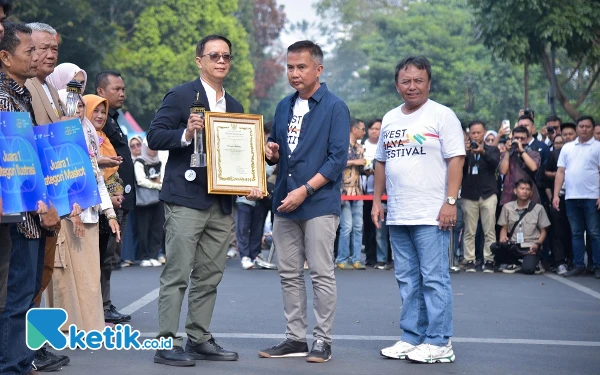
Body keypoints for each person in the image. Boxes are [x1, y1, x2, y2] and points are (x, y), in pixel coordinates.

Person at [147, 34, 261, 366]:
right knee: (178, 272)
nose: (221, 61)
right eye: (214, 56)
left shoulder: (235, 106)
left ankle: (198, 337)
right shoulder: (183, 95)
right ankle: (167, 342)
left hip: (221, 201)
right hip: (185, 197)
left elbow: (238, 157)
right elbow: (155, 135)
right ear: (200, 61)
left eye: (226, 56)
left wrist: (250, 181)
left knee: (210, 274)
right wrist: (185, 134)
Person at [258, 40, 349, 363]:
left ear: (318, 69)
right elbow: (276, 147)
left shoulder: (335, 107)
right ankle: (295, 338)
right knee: (288, 273)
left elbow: (337, 159)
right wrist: (271, 152)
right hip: (285, 200)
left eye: (301, 67)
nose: (294, 73)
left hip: (318, 202)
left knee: (322, 273)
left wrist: (306, 191)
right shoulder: (284, 106)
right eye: (290, 67)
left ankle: (322, 341)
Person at [373, 56, 465, 364]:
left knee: (434, 278)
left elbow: (456, 159)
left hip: (432, 213)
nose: (412, 86)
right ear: (397, 84)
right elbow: (381, 162)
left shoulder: (442, 115)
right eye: (405, 81)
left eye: (418, 81)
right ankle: (412, 337)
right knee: (408, 279)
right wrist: (377, 201)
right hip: (399, 212)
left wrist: (450, 202)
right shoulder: (389, 118)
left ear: (428, 82)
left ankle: (439, 341)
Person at [0, 22, 61, 375]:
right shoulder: (4, 98)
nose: (39, 56)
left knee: (26, 296)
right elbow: (15, 162)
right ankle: (12, 365)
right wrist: (45, 206)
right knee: (16, 297)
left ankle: (22, 360)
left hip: (34, 211)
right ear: (6, 57)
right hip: (22, 212)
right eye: (31, 51)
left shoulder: (23, 92)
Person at [46, 89, 120, 332]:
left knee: (90, 276)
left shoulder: (88, 132)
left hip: (89, 214)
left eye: (80, 106)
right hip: (67, 216)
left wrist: (109, 215)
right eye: (72, 106)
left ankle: (90, 325)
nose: (78, 110)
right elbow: (57, 177)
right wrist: (71, 211)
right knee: (65, 275)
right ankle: (66, 326)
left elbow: (96, 177)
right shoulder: (55, 136)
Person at [21, 21, 71, 371]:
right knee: (26, 281)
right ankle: (22, 352)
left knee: (41, 275)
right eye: (40, 48)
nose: (48, 54)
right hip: (33, 201)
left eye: (53, 48)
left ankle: (30, 348)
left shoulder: (47, 88)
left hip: (52, 197)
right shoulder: (20, 89)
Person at [84, 94, 129, 324]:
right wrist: (109, 198)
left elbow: (112, 174)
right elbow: (85, 174)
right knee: (93, 262)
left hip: (110, 208)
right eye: (95, 111)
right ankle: (94, 310)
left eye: (103, 112)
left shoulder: (102, 137)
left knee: (106, 259)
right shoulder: (82, 137)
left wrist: (117, 195)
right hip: (92, 209)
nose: (100, 116)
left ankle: (104, 305)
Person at [95, 70, 133, 323]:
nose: (122, 93)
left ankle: (104, 303)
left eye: (123, 89)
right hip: (106, 201)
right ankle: (101, 306)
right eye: (116, 89)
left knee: (110, 256)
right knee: (104, 256)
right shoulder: (98, 123)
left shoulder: (114, 119)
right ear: (100, 92)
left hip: (120, 199)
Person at [553, 116, 600, 279]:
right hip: (571, 196)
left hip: (592, 196)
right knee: (576, 233)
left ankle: (597, 265)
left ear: (593, 129)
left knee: (594, 233)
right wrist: (556, 195)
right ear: (577, 128)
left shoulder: (598, 147)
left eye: (588, 126)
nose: (584, 129)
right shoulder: (567, 148)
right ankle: (579, 265)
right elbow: (560, 172)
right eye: (581, 126)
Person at [461, 120, 500, 273]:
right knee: (469, 230)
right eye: (473, 133)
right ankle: (469, 259)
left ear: (484, 133)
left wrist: (482, 152)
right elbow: (459, 169)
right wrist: (465, 153)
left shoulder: (492, 149)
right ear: (469, 134)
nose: (476, 136)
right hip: (469, 195)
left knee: (489, 230)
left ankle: (489, 260)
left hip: (488, 194)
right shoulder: (464, 151)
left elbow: (494, 163)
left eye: (478, 132)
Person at [495, 179, 550, 274]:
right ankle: (516, 264)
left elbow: (544, 231)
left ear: (531, 193)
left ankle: (525, 264)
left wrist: (537, 245)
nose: (525, 191)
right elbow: (504, 227)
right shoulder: (507, 207)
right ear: (515, 191)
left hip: (530, 246)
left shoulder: (538, 208)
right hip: (513, 245)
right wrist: (502, 236)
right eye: (522, 188)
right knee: (494, 247)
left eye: (528, 189)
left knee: (528, 270)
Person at [545, 123, 577, 275]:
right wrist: (554, 196)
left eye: (571, 134)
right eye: (565, 134)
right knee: (558, 231)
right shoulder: (556, 153)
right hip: (560, 197)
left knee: (575, 231)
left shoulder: (583, 151)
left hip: (578, 196)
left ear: (576, 134)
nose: (568, 137)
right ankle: (559, 262)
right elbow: (544, 176)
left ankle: (575, 261)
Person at [336, 118, 367, 270]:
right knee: (346, 226)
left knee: (358, 226)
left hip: (358, 191)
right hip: (343, 191)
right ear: (354, 129)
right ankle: (342, 258)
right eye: (362, 129)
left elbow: (361, 168)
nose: (364, 132)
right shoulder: (340, 144)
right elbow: (337, 162)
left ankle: (356, 259)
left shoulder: (361, 148)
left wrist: (368, 168)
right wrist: (356, 162)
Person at [133, 139, 164, 267]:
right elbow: (140, 181)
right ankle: (144, 256)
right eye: (150, 148)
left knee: (157, 228)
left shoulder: (159, 161)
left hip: (158, 199)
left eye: (155, 147)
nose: (153, 150)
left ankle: (153, 254)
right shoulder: (139, 161)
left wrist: (157, 183)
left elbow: (162, 178)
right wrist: (157, 185)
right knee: (143, 228)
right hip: (144, 200)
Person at [499, 126, 541, 205]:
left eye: (522, 138)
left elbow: (533, 167)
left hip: (529, 197)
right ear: (512, 139)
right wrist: (508, 152)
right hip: (509, 197)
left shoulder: (533, 154)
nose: (519, 141)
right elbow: (503, 171)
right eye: (517, 138)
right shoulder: (506, 154)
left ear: (527, 139)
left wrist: (521, 150)